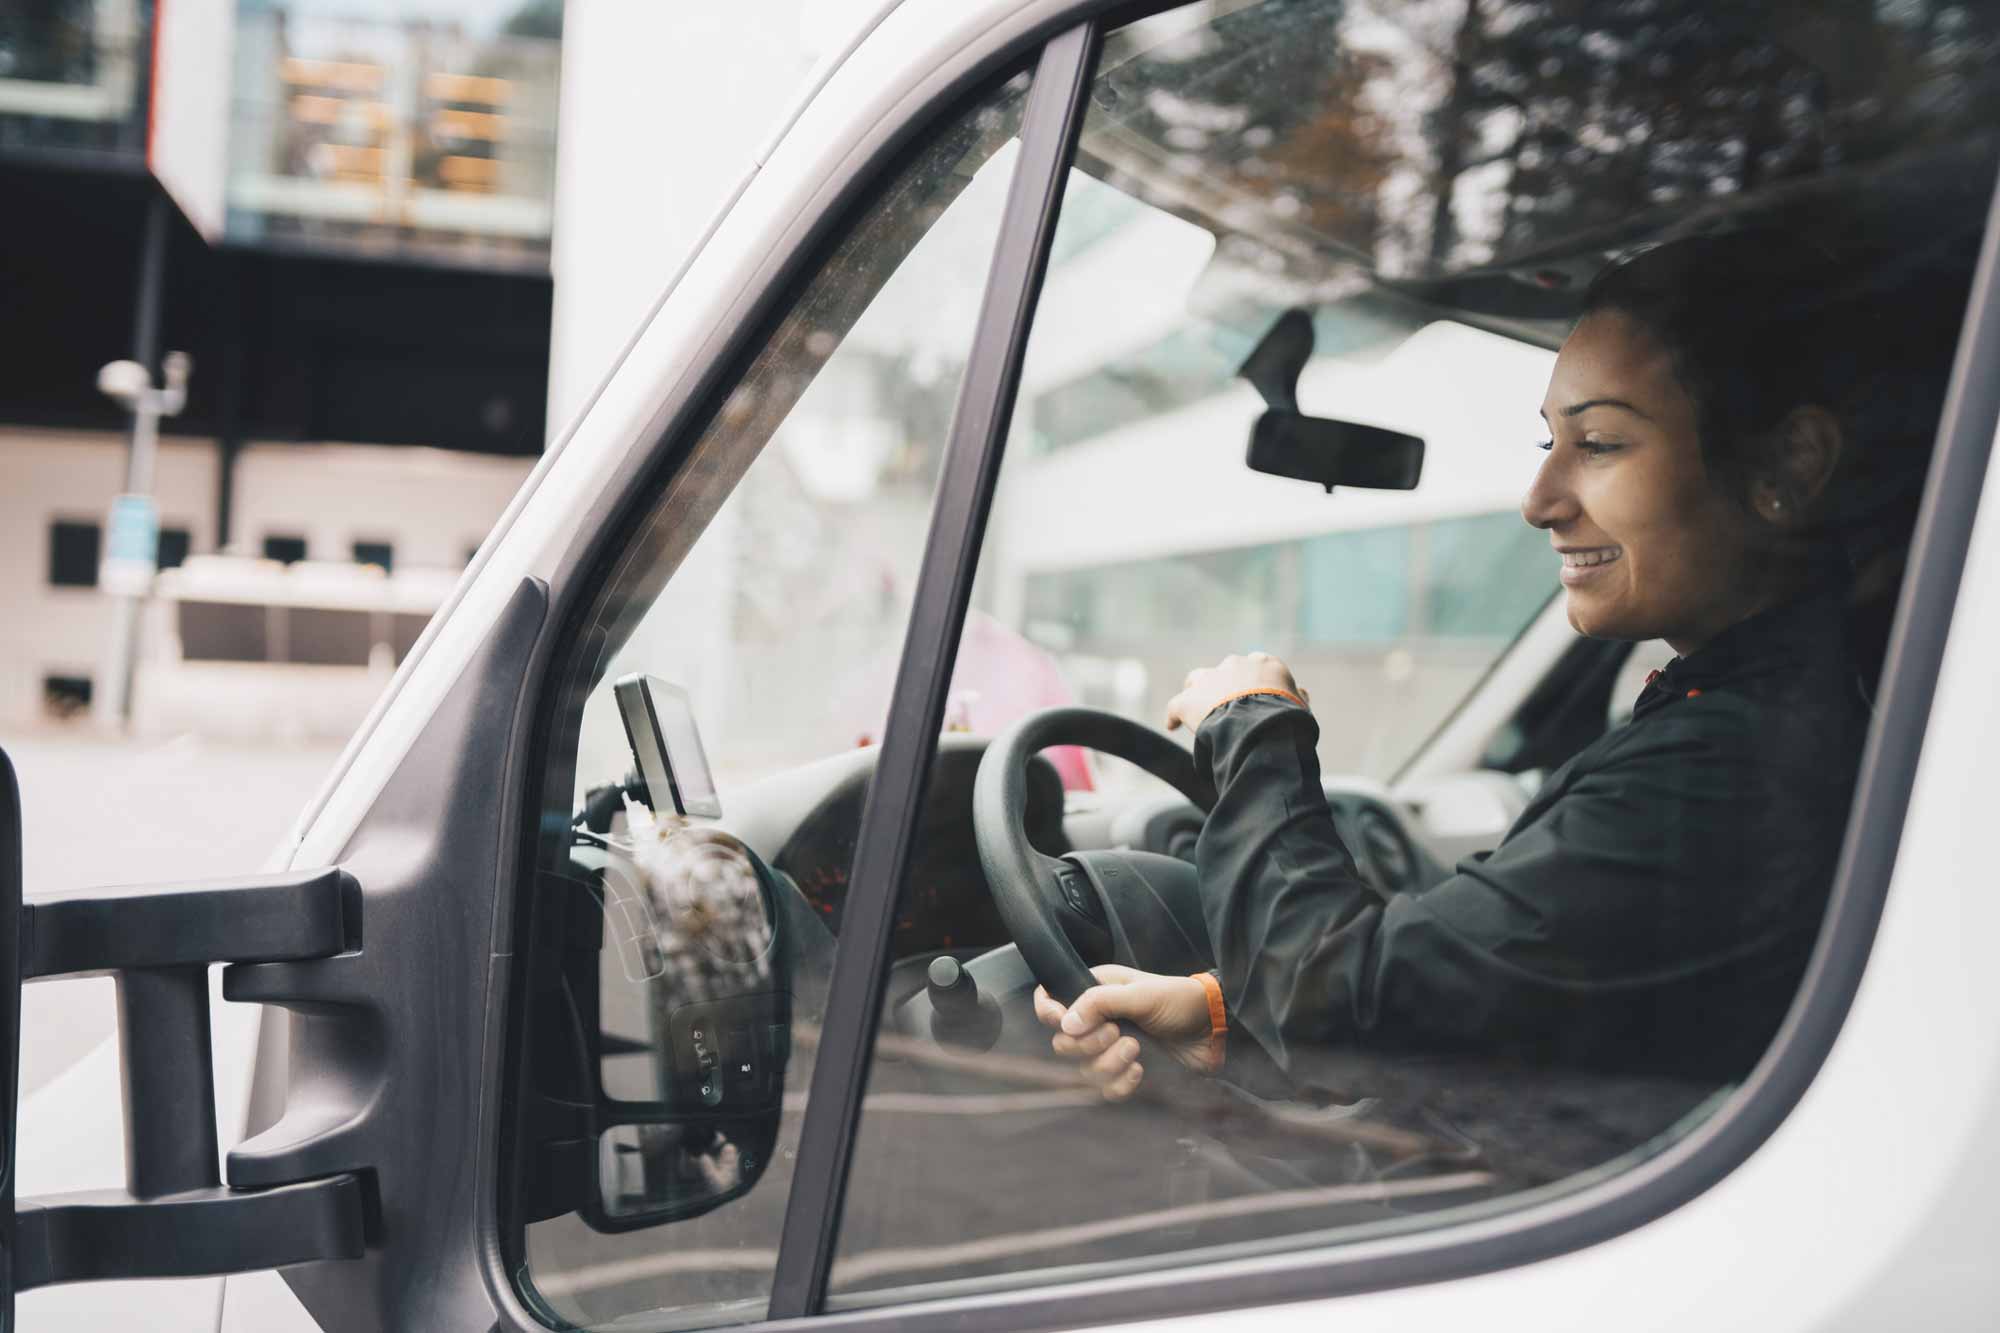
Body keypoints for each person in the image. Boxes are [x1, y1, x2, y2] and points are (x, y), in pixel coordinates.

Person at [1034, 233, 1955, 1141]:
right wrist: (1225, 1020)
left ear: (1788, 464)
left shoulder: (1731, 764)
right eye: (1551, 440)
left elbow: (1330, 996)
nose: (1539, 497)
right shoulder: (1787, 710)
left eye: (1598, 442)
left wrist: (1252, 729)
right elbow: (1559, 1022)